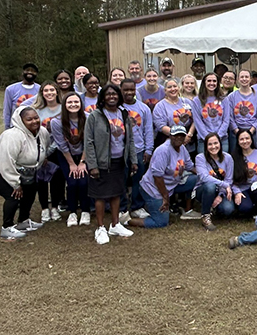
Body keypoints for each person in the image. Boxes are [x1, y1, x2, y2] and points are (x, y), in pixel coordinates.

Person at [0, 105, 49, 240]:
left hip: (16, 167)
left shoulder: (42, 132)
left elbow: (42, 150)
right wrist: (15, 183)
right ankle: (7, 228)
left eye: (36, 118)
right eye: (29, 119)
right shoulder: (12, 136)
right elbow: (5, 161)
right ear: (20, 121)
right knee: (13, 194)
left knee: (31, 188)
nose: (34, 121)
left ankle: (23, 221)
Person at [128, 125, 218, 230]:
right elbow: (157, 177)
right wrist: (166, 198)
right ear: (170, 136)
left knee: (197, 179)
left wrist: (206, 175)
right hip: (154, 189)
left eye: (181, 136)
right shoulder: (163, 150)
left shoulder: (182, 148)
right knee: (161, 222)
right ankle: (127, 220)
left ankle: (187, 210)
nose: (178, 138)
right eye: (176, 135)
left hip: (172, 184)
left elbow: (190, 166)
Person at [83, 84, 137, 244]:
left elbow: (130, 140)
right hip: (101, 163)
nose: (112, 97)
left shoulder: (124, 114)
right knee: (100, 196)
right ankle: (100, 227)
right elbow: (89, 142)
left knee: (116, 193)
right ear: (103, 97)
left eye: (114, 94)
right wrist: (92, 165)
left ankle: (115, 224)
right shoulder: (95, 116)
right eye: (108, 94)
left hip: (119, 161)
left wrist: (133, 159)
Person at [52, 93, 90, 227]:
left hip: (84, 154)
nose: (73, 105)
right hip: (65, 155)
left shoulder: (88, 118)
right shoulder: (56, 122)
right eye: (69, 102)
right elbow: (61, 144)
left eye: (76, 102)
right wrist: (72, 164)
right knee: (72, 183)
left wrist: (82, 162)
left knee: (84, 182)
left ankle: (85, 211)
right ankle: (72, 212)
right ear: (64, 105)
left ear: (81, 104)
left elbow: (88, 142)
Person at [121, 79, 154, 221]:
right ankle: (121, 208)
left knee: (138, 179)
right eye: (126, 90)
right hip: (120, 151)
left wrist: (149, 150)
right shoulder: (117, 108)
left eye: (131, 90)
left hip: (139, 149)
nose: (129, 92)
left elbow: (148, 130)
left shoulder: (143, 108)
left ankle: (137, 206)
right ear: (120, 90)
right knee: (121, 179)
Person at [30, 82, 63, 221]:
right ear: (42, 93)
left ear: (57, 92)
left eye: (52, 90)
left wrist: (51, 150)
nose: (49, 93)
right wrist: (42, 153)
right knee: (41, 180)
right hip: (40, 150)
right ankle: (44, 208)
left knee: (58, 179)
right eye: (46, 90)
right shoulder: (35, 110)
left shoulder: (63, 108)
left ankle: (55, 207)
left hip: (59, 149)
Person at [195, 133, 234, 229]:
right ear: (206, 146)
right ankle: (205, 215)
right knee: (210, 185)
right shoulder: (200, 158)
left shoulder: (228, 158)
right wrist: (224, 184)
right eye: (210, 144)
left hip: (220, 191)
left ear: (220, 144)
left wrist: (221, 195)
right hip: (204, 190)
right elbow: (204, 177)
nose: (213, 147)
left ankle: (214, 208)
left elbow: (229, 179)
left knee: (228, 209)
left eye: (216, 143)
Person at [229, 129, 257, 216]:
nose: (245, 141)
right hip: (242, 189)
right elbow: (230, 180)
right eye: (241, 139)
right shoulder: (233, 157)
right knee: (245, 208)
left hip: (256, 188)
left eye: (247, 138)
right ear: (238, 141)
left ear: (251, 139)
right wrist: (237, 192)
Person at [224, 69, 257, 153]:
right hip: (235, 132)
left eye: (246, 77)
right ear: (238, 79)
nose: (244, 79)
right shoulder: (231, 97)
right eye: (242, 77)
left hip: (254, 132)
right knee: (235, 156)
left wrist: (251, 131)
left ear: (250, 79)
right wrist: (236, 131)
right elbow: (229, 116)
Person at [152, 78, 196, 154]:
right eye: (169, 87)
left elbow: (196, 119)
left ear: (179, 88)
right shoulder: (160, 106)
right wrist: (179, 137)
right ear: (165, 90)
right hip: (169, 141)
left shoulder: (187, 102)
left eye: (175, 86)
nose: (173, 89)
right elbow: (161, 126)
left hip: (189, 142)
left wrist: (189, 135)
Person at [192, 72, 230, 149]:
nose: (211, 83)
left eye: (214, 81)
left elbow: (226, 120)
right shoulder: (197, 100)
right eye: (209, 81)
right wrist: (208, 138)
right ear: (204, 83)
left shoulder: (224, 99)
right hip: (203, 140)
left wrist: (218, 137)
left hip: (222, 139)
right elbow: (197, 121)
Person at [3, 63, 40, 128]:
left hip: (34, 126)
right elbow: (7, 111)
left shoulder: (41, 89)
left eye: (33, 71)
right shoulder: (10, 89)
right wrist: (7, 127)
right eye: (27, 70)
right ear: (22, 72)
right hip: (16, 126)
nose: (30, 72)